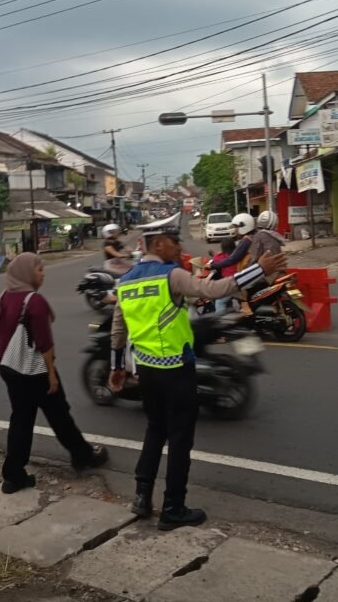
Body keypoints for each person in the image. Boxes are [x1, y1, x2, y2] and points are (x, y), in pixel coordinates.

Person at [108, 214, 286, 530]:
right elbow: (217, 289)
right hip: (176, 369)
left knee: (154, 430)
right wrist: (259, 270)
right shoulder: (171, 275)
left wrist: (117, 367)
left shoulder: (127, 280)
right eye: (175, 242)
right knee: (179, 439)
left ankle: (141, 497)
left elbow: (118, 327)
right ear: (159, 243)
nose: (179, 248)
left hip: (147, 369)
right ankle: (173, 508)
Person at [0, 253, 108, 493]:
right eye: (39, 269)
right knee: (59, 414)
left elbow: (0, 335)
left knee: (21, 419)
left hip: (9, 367)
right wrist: (51, 375)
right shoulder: (34, 301)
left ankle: (13, 476)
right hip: (34, 371)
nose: (43, 273)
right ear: (26, 273)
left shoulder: (5, 296)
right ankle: (83, 455)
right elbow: (45, 344)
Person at [208, 213, 256, 315]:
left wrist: (213, 266)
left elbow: (232, 259)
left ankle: (221, 324)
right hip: (253, 272)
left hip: (245, 276)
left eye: (236, 227)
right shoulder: (252, 237)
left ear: (244, 226)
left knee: (220, 302)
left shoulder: (246, 240)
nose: (235, 230)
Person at [209, 236, 238, 314]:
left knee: (220, 302)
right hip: (238, 281)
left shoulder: (222, 257)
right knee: (227, 301)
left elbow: (215, 260)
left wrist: (213, 255)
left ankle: (220, 322)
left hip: (231, 284)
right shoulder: (238, 254)